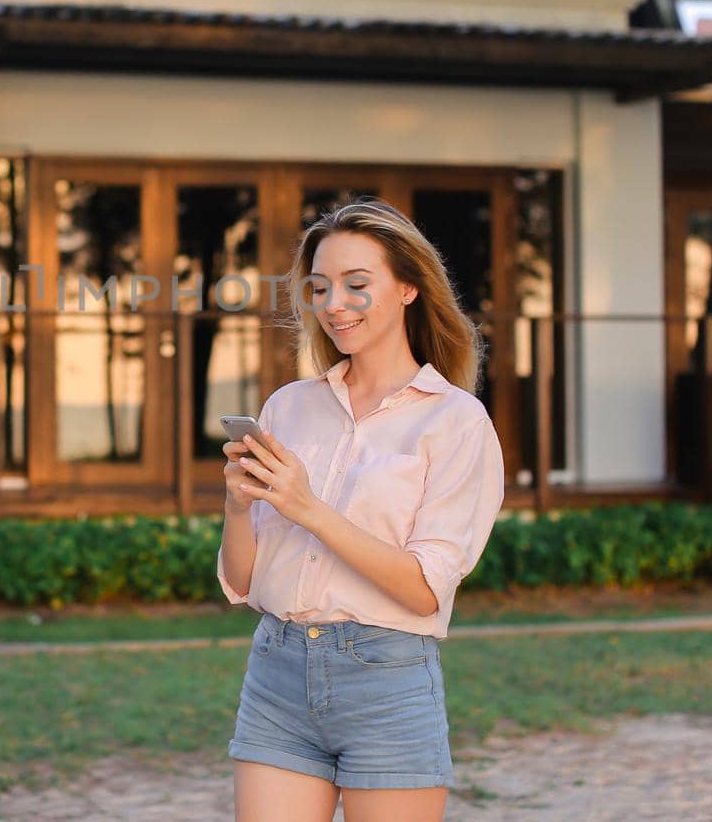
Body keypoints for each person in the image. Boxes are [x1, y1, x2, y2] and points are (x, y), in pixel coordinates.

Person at [217, 199, 506, 822]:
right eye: (320, 287)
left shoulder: (455, 420)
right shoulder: (288, 407)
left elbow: (425, 590)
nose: (333, 304)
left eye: (356, 284)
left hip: (387, 682)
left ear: (407, 287)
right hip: (277, 674)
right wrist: (238, 507)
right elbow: (241, 583)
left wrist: (309, 508)